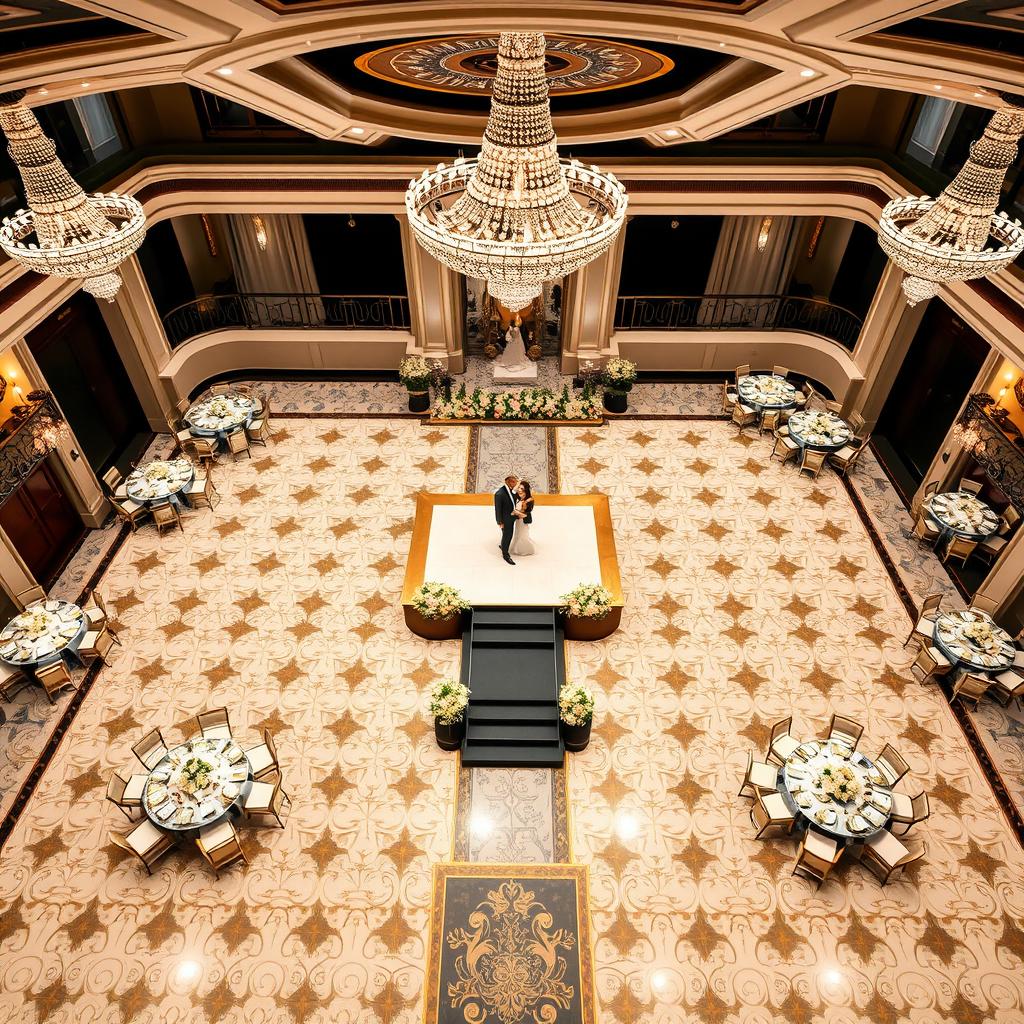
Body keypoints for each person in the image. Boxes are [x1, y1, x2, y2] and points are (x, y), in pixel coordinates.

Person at [493, 473, 519, 565]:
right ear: (509, 482)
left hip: (511, 517)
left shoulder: (510, 491)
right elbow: (498, 509)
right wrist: (499, 521)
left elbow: (514, 499)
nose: (516, 484)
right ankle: (505, 554)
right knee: (508, 535)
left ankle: (503, 545)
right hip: (505, 519)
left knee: (505, 534)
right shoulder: (499, 494)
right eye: (514, 482)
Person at [510, 480, 535, 556]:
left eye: (522, 489)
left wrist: (516, 512)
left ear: (526, 490)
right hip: (518, 522)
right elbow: (512, 492)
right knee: (517, 535)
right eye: (519, 488)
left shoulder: (529, 500)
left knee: (522, 536)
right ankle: (517, 549)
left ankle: (526, 550)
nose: (519, 490)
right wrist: (518, 483)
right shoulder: (519, 497)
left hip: (523, 522)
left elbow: (526, 514)